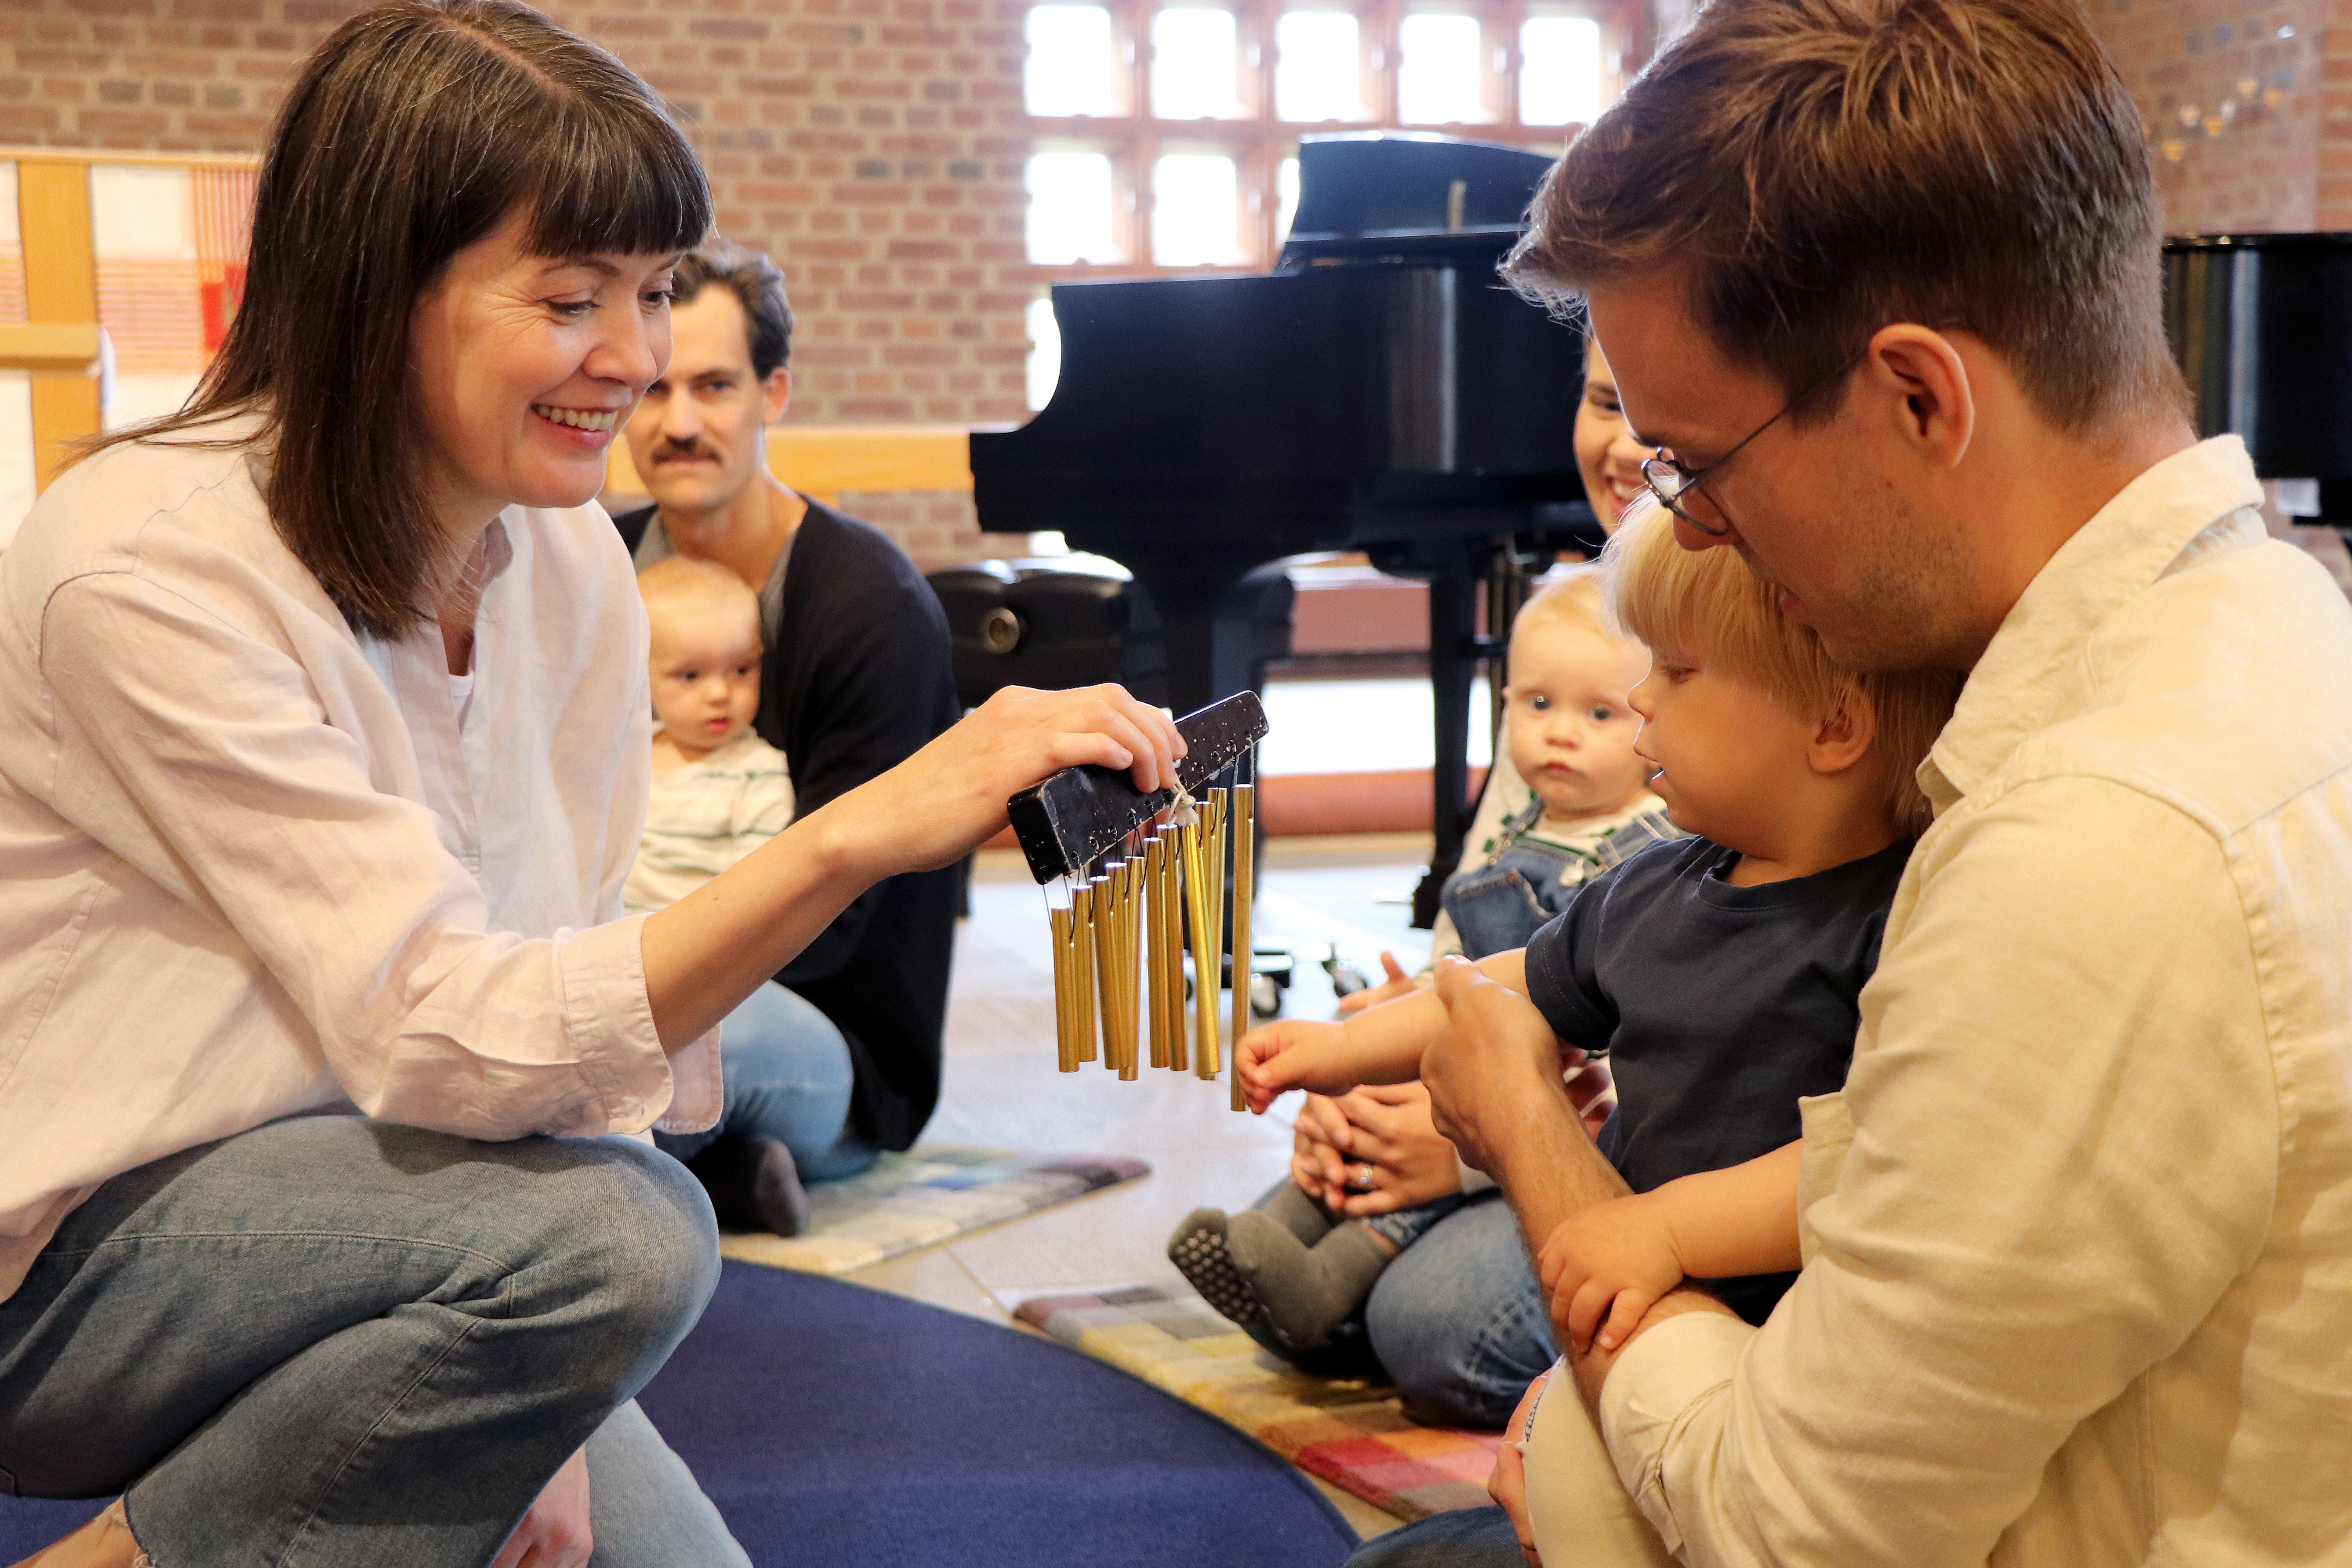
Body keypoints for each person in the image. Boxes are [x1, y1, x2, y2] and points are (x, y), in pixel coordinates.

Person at [0, 5, 1183, 1564]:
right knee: (623, 1237)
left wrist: (544, 1388)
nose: (633, 365)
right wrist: (847, 841)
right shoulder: (145, 568)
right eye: (572, 300)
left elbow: (556, 978)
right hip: (81, 1262)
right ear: (375, 293)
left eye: (653, 292)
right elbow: (439, 1027)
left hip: (417, 1220)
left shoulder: (567, 560)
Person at [1369, 2, 2352, 1565]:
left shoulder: (2101, 849)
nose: (1688, 532)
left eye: (1699, 463)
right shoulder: (2289, 615)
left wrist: (1527, 1131)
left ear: (1918, 399)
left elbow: (1785, 1532)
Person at [1233, 495, 1953, 1354]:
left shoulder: (1902, 919)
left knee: (1447, 1337)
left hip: (1786, 1335)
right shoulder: (1650, 885)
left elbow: (1859, 1162)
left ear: (1832, 726)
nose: (1643, 694)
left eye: (1680, 672)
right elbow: (1497, 989)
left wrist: (1668, 1231)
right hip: (1625, 1275)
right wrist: (1343, 1049)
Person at [1240, 336, 1663, 1429]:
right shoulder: (1569, 660)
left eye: (1662, 415)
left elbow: (1671, 1042)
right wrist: (1373, 1075)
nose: (1624, 447)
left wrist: (1470, 1148)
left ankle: (1352, 1286)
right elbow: (1467, 946)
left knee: (1436, 1327)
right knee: (1342, 1175)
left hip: (1630, 1142)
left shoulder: (1707, 682)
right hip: (1505, 1071)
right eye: (1605, 402)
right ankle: (1333, 1267)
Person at [1168, 569, 1667, 1352]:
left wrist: (1468, 1115)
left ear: (1655, 724)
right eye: (1537, 704)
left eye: (1599, 713)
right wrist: (1377, 1038)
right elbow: (1461, 971)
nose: (1561, 731)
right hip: (1472, 1059)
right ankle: (1276, 1246)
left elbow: (1608, 1051)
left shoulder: (1649, 849)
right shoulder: (1527, 819)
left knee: (1430, 1313)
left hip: (1565, 1122)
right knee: (1349, 1136)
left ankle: (1329, 1287)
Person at [611, 237, 960, 1176]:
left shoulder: (872, 609)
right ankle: (718, 1169)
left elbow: (835, 919)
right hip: (638, 956)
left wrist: (625, 980)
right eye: (652, 387)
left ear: (775, 395)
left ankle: (696, 1162)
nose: (678, 421)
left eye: (714, 386)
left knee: (626, 1035)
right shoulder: (596, 569)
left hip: (821, 1027)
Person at [621, 556, 844, 1238]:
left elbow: (753, 899)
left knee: (680, 1058)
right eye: (690, 676)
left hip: (708, 964)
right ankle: (734, 1179)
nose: (721, 694)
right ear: (642, 674)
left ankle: (621, 1186)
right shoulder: (627, 757)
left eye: (741, 671)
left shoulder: (757, 773)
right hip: (620, 952)